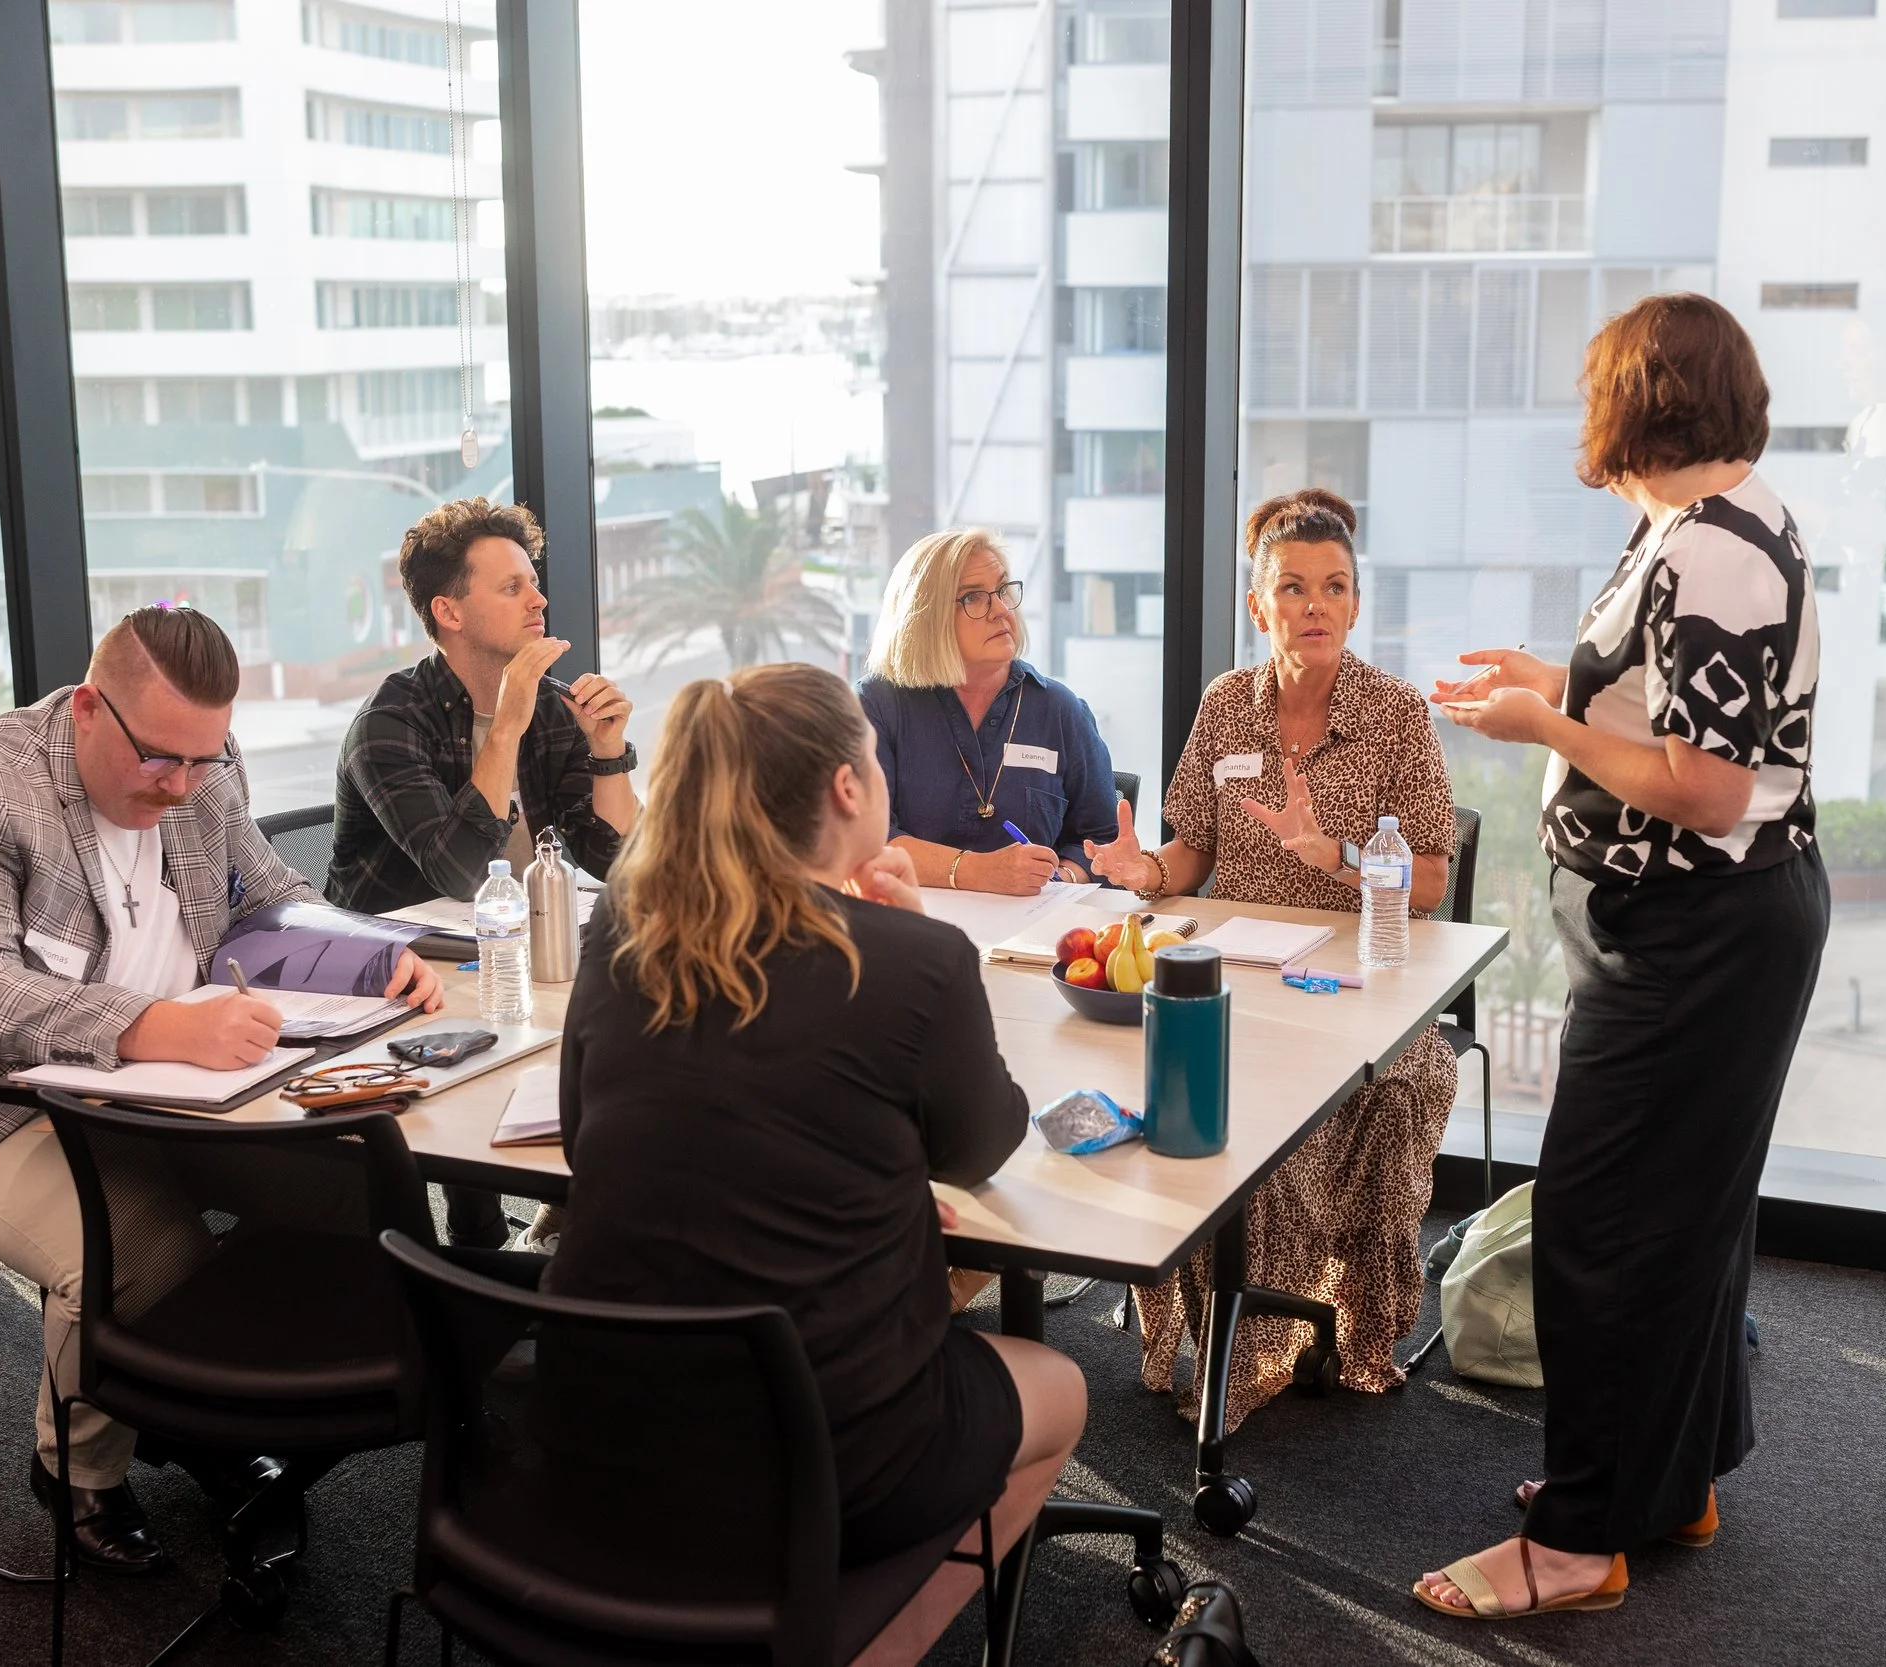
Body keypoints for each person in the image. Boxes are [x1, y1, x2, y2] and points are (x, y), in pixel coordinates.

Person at [0, 606, 444, 1573]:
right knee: (139, 1245)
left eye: (201, 762)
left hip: (168, 1083)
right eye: (159, 761)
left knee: (345, 1192)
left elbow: (267, 893)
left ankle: (208, 1413)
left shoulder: (199, 763)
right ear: (89, 708)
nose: (181, 788)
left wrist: (373, 954)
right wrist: (149, 1025)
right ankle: (78, 1468)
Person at [1415, 293, 1826, 1621]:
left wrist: (1545, 725)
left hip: (1696, 933)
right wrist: (1551, 681)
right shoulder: (1713, 526)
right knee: (1686, 1219)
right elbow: (1660, 697)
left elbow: (1705, 786)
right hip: (1708, 925)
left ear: (1634, 403)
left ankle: (1580, 1543)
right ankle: (1670, 1479)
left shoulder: (1710, 551)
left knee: (1605, 1224)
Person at [546, 663, 1083, 1661]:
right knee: (1059, 1388)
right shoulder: (912, 958)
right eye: (873, 759)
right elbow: (980, 1147)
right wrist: (921, 933)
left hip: (600, 1430)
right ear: (846, 785)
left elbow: (583, 1141)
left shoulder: (623, 923)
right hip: (827, 1453)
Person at [1086, 487, 1457, 1425]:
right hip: (1241, 970)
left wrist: (1334, 854)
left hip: (1364, 974)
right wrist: (1145, 871)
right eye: (1292, 588)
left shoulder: (1396, 713)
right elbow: (1193, 853)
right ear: (1261, 607)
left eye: (1335, 586)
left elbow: (1431, 882)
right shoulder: (1224, 706)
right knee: (1194, 1080)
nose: (1316, 605)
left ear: (1357, 602)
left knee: (1387, 1083)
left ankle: (1274, 1342)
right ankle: (1216, 1327)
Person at [326, 497, 636, 914]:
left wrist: (608, 752)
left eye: (533, 583)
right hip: (395, 961)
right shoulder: (389, 722)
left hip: (511, 941)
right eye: (512, 588)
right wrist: (505, 730)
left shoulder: (550, 706)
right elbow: (461, 874)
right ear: (449, 612)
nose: (538, 600)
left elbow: (616, 860)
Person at [857, 528, 1119, 894]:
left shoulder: (1059, 709)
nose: (1000, 610)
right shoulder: (877, 706)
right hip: (911, 928)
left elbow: (1104, 840)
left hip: (1032, 933)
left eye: (1002, 591)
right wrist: (976, 871)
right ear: (925, 618)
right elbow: (865, 841)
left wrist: (1061, 878)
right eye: (974, 598)